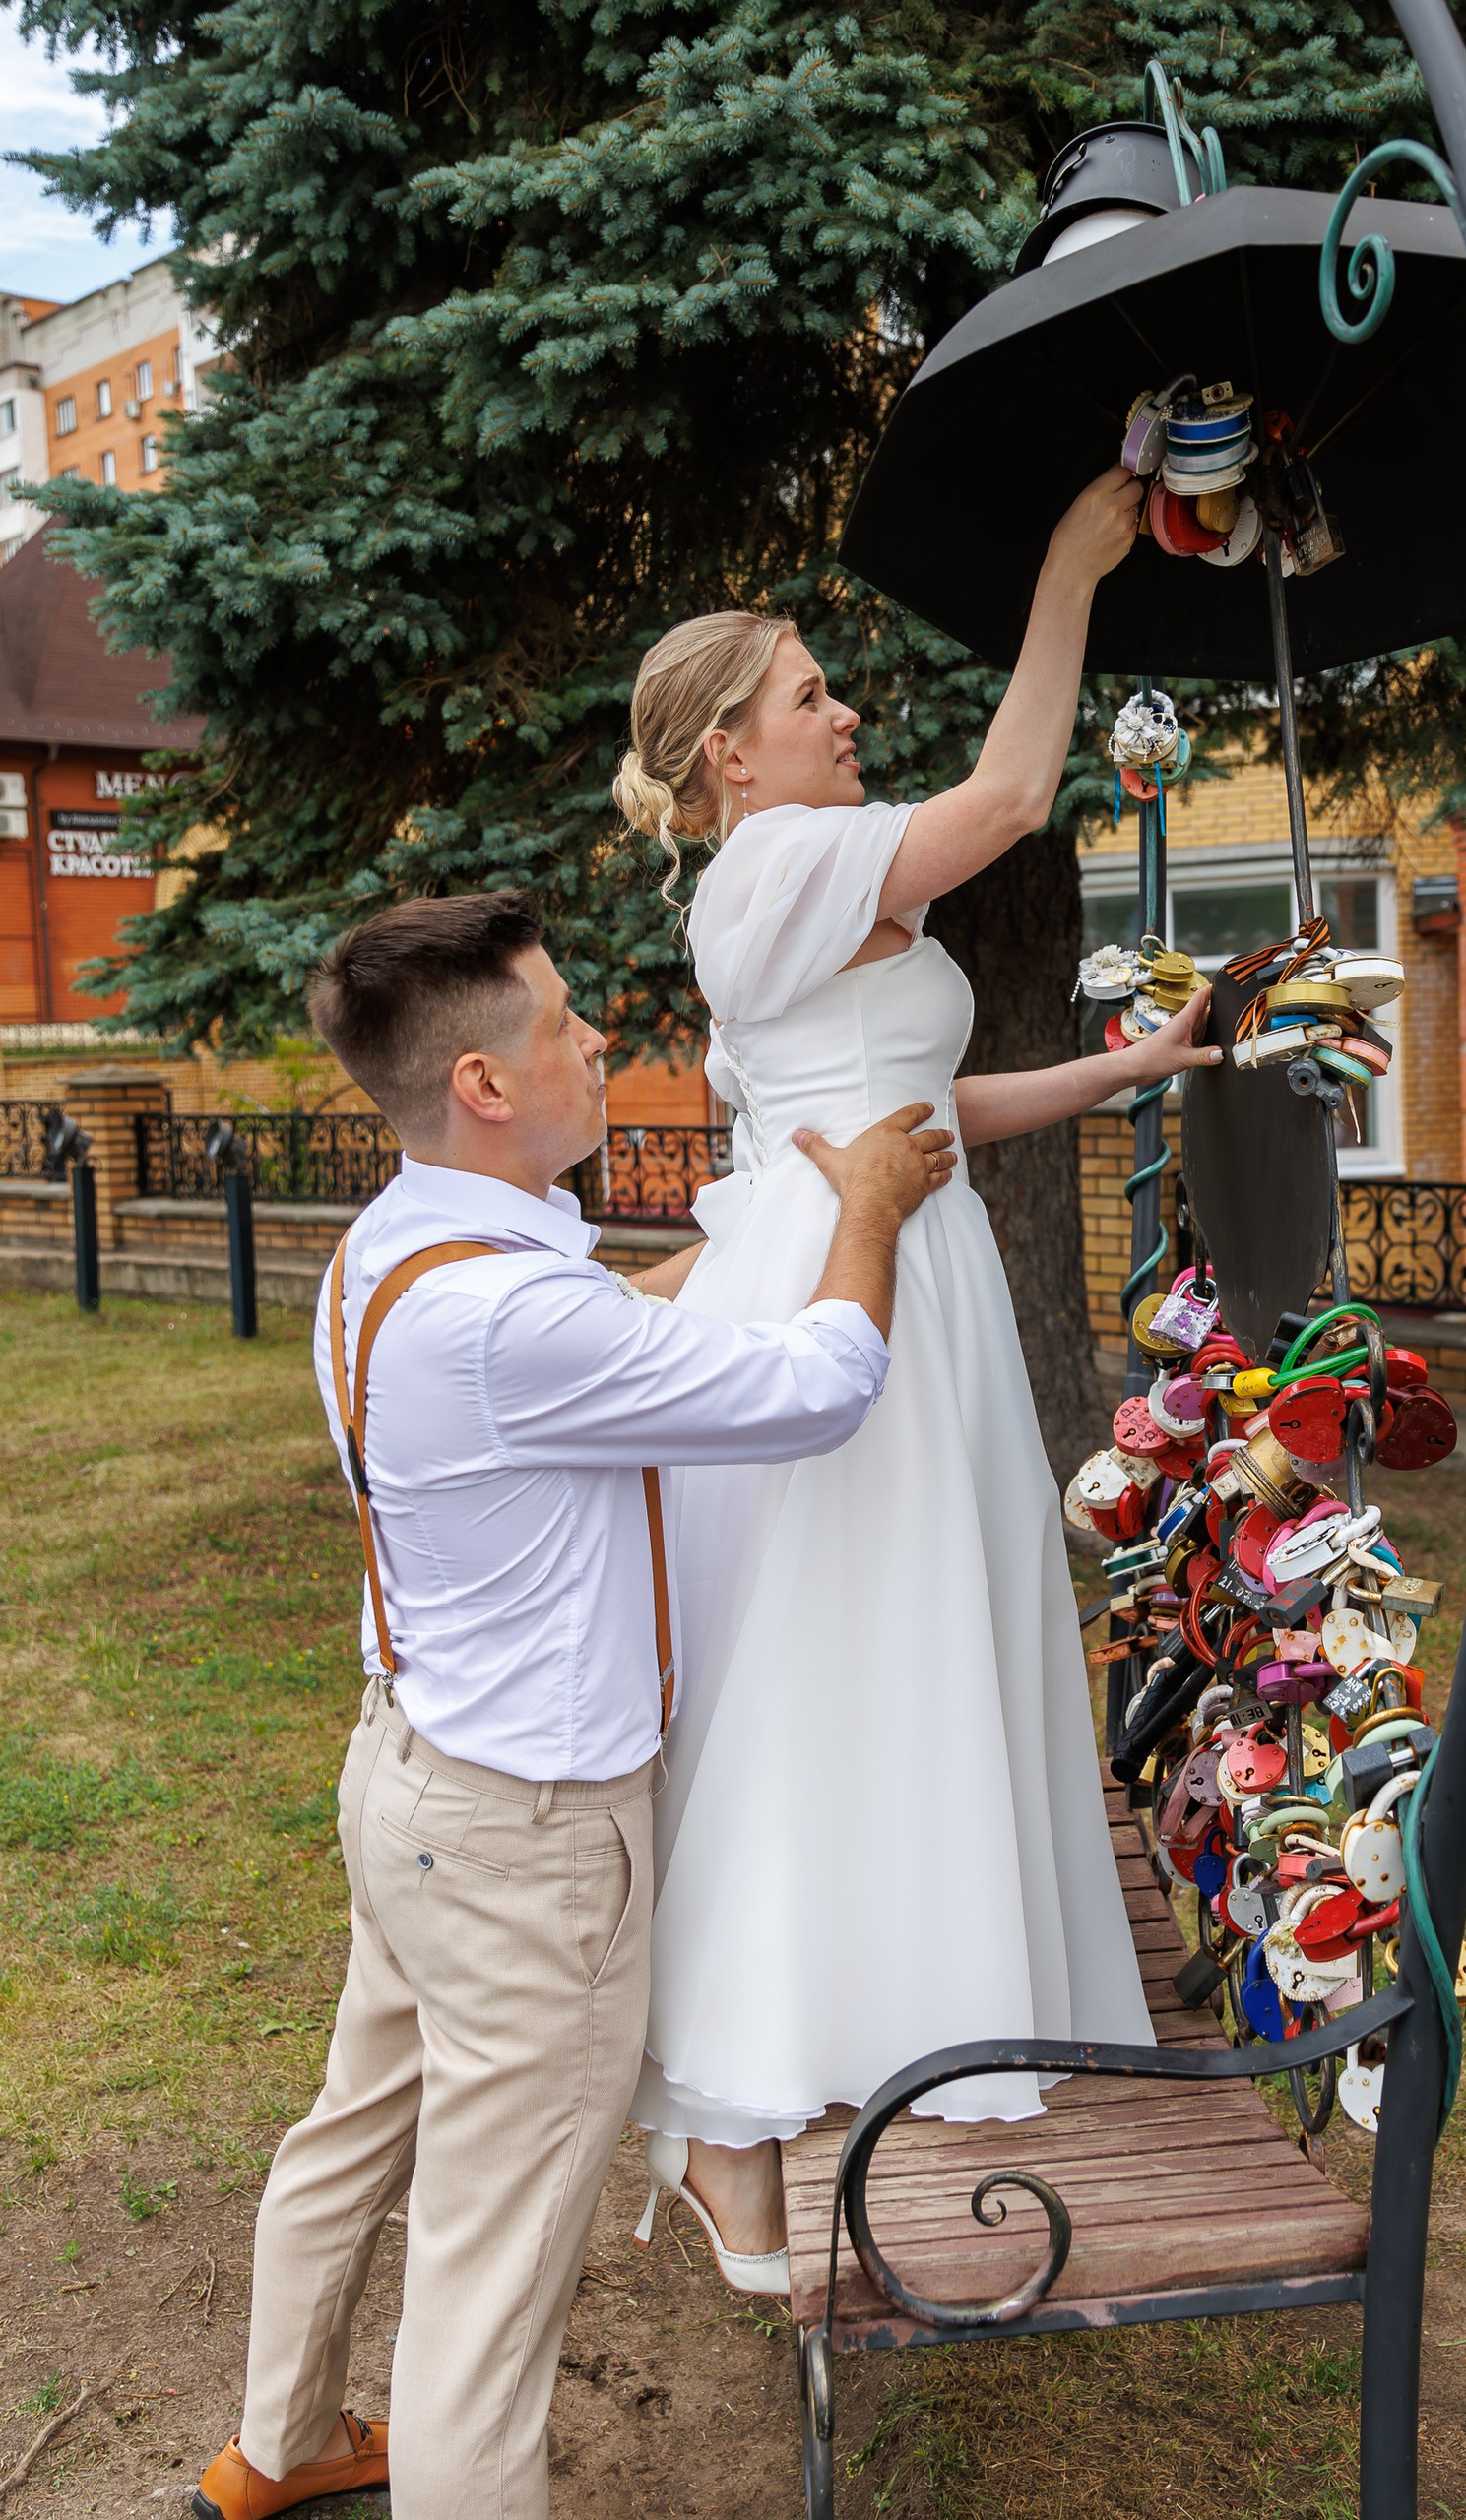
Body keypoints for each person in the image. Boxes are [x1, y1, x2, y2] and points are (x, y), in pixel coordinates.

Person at [188, 891, 955, 2520]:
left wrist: (745, 1248)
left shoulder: (404, 1247)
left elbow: (617, 1327)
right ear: (479, 1082)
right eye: (560, 1019)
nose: (598, 1036)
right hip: (533, 1847)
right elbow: (821, 1389)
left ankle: (284, 2443)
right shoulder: (512, 1310)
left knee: (351, 2133)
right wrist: (869, 1212)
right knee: (489, 2270)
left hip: (410, 1790)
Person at [607, 468, 1223, 2282]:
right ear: (730, 752)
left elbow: (933, 1108)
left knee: (907, 1617)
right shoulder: (784, 861)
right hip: (843, 1274)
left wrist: (1142, 1065)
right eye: (812, 695)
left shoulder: (808, 879)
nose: (847, 710)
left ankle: (918, 1977)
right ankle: (747, 2070)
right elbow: (1021, 794)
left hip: (906, 1248)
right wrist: (1068, 560)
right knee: (840, 1630)